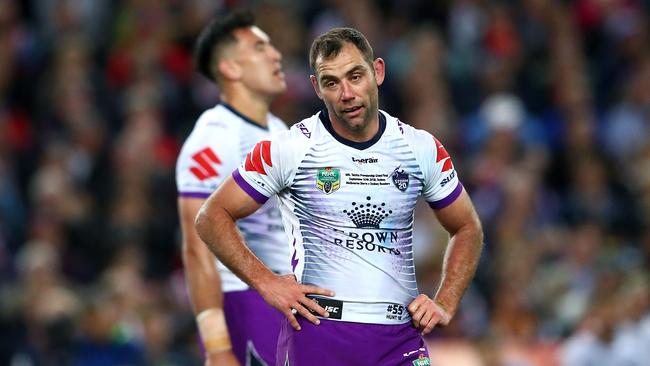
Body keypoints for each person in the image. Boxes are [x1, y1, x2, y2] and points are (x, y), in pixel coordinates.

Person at [195, 27, 484, 365]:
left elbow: (467, 227)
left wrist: (446, 302)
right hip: (320, 333)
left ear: (377, 71)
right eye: (332, 82)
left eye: (355, 76)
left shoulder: (420, 147)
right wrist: (267, 283)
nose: (347, 93)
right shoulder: (291, 148)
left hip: (400, 338)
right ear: (317, 88)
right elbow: (211, 217)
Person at [175, 10, 291, 366]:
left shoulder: (280, 130)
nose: (276, 55)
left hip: (288, 296)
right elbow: (197, 247)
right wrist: (217, 346)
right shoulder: (213, 139)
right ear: (231, 68)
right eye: (260, 48)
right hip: (245, 299)